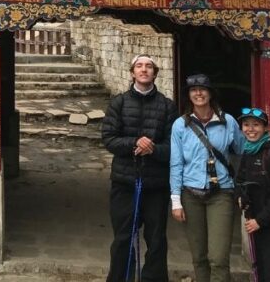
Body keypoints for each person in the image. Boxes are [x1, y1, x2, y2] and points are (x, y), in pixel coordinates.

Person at [102, 54, 179, 282]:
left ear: (155, 72)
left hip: (155, 184)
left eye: (148, 66)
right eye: (139, 66)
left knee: (156, 240)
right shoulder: (119, 102)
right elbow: (109, 139)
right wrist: (135, 142)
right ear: (132, 72)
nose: (144, 70)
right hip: (125, 182)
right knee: (123, 238)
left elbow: (174, 146)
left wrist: (153, 149)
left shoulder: (167, 106)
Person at [169, 74, 243, 282]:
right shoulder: (180, 125)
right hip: (190, 194)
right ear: (189, 95)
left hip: (221, 193)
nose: (199, 93)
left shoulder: (227, 122)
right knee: (199, 256)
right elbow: (176, 163)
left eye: (203, 89)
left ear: (210, 93)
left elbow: (242, 150)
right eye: (194, 90)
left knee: (219, 257)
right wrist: (176, 199)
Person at [235, 108, 270, 282]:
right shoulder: (249, 152)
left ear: (266, 128)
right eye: (246, 125)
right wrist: (240, 197)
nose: (250, 129)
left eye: (256, 125)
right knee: (260, 272)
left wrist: (260, 221)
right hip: (255, 223)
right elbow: (240, 181)